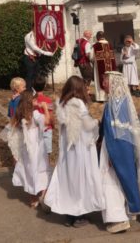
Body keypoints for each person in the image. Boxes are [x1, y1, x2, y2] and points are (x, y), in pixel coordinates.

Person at [44, 76, 104, 227]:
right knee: (81, 179)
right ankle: (78, 216)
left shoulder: (63, 103)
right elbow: (87, 126)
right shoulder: (78, 104)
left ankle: (69, 216)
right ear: (79, 88)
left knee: (69, 180)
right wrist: (97, 122)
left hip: (67, 150)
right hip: (79, 150)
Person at [99, 71, 140, 233]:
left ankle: (118, 219)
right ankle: (125, 212)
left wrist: (113, 154)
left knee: (110, 182)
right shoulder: (117, 101)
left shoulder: (116, 104)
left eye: (105, 80)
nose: (103, 83)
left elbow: (118, 132)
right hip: (112, 147)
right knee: (115, 181)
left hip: (114, 148)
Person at [8, 91, 51, 208]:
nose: (36, 101)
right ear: (30, 102)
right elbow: (47, 122)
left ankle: (33, 199)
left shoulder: (20, 115)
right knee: (41, 169)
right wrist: (45, 108)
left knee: (29, 170)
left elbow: (13, 130)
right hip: (37, 147)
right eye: (34, 100)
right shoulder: (35, 114)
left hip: (26, 148)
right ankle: (44, 196)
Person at [24, 25, 53, 90]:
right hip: (30, 57)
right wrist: (45, 53)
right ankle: (28, 91)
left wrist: (50, 49)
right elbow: (34, 47)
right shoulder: (29, 36)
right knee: (30, 75)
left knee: (36, 75)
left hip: (37, 58)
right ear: (32, 27)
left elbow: (43, 44)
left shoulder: (39, 36)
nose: (37, 29)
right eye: (36, 27)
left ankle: (35, 90)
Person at [90, 31, 116, 102]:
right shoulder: (110, 45)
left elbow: (91, 57)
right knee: (110, 80)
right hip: (110, 67)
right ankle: (110, 96)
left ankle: (101, 98)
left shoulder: (96, 46)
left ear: (97, 37)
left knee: (100, 80)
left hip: (99, 67)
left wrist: (93, 61)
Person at [32, 75, 54, 158]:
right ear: (44, 86)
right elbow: (51, 115)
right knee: (47, 153)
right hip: (46, 129)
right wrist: (53, 124)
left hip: (35, 129)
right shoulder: (48, 100)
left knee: (36, 152)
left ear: (33, 86)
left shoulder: (31, 100)